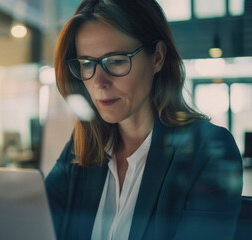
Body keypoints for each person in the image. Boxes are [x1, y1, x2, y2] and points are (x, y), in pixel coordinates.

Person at [44, 0, 244, 239]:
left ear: (157, 58)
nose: (98, 82)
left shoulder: (209, 151)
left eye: (116, 61)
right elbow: (31, 226)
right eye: (87, 64)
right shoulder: (79, 152)